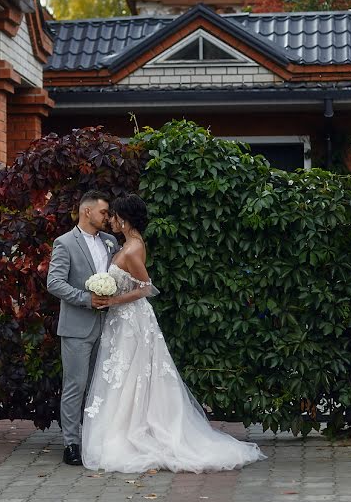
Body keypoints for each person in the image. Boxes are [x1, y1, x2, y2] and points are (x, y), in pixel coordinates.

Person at [81, 194, 266, 473]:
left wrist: (114, 300)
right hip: (122, 321)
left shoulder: (132, 249)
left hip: (132, 322)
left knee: (133, 375)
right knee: (123, 375)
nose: (111, 220)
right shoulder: (125, 244)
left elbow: (147, 288)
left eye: (114, 215)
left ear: (125, 219)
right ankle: (122, 428)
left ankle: (136, 432)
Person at [46, 190, 120, 466]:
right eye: (103, 212)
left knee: (101, 386)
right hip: (77, 327)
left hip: (109, 325)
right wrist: (86, 299)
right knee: (75, 385)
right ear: (87, 211)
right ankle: (71, 443)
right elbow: (54, 283)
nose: (107, 217)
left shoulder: (111, 242)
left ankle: (96, 439)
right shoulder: (64, 243)